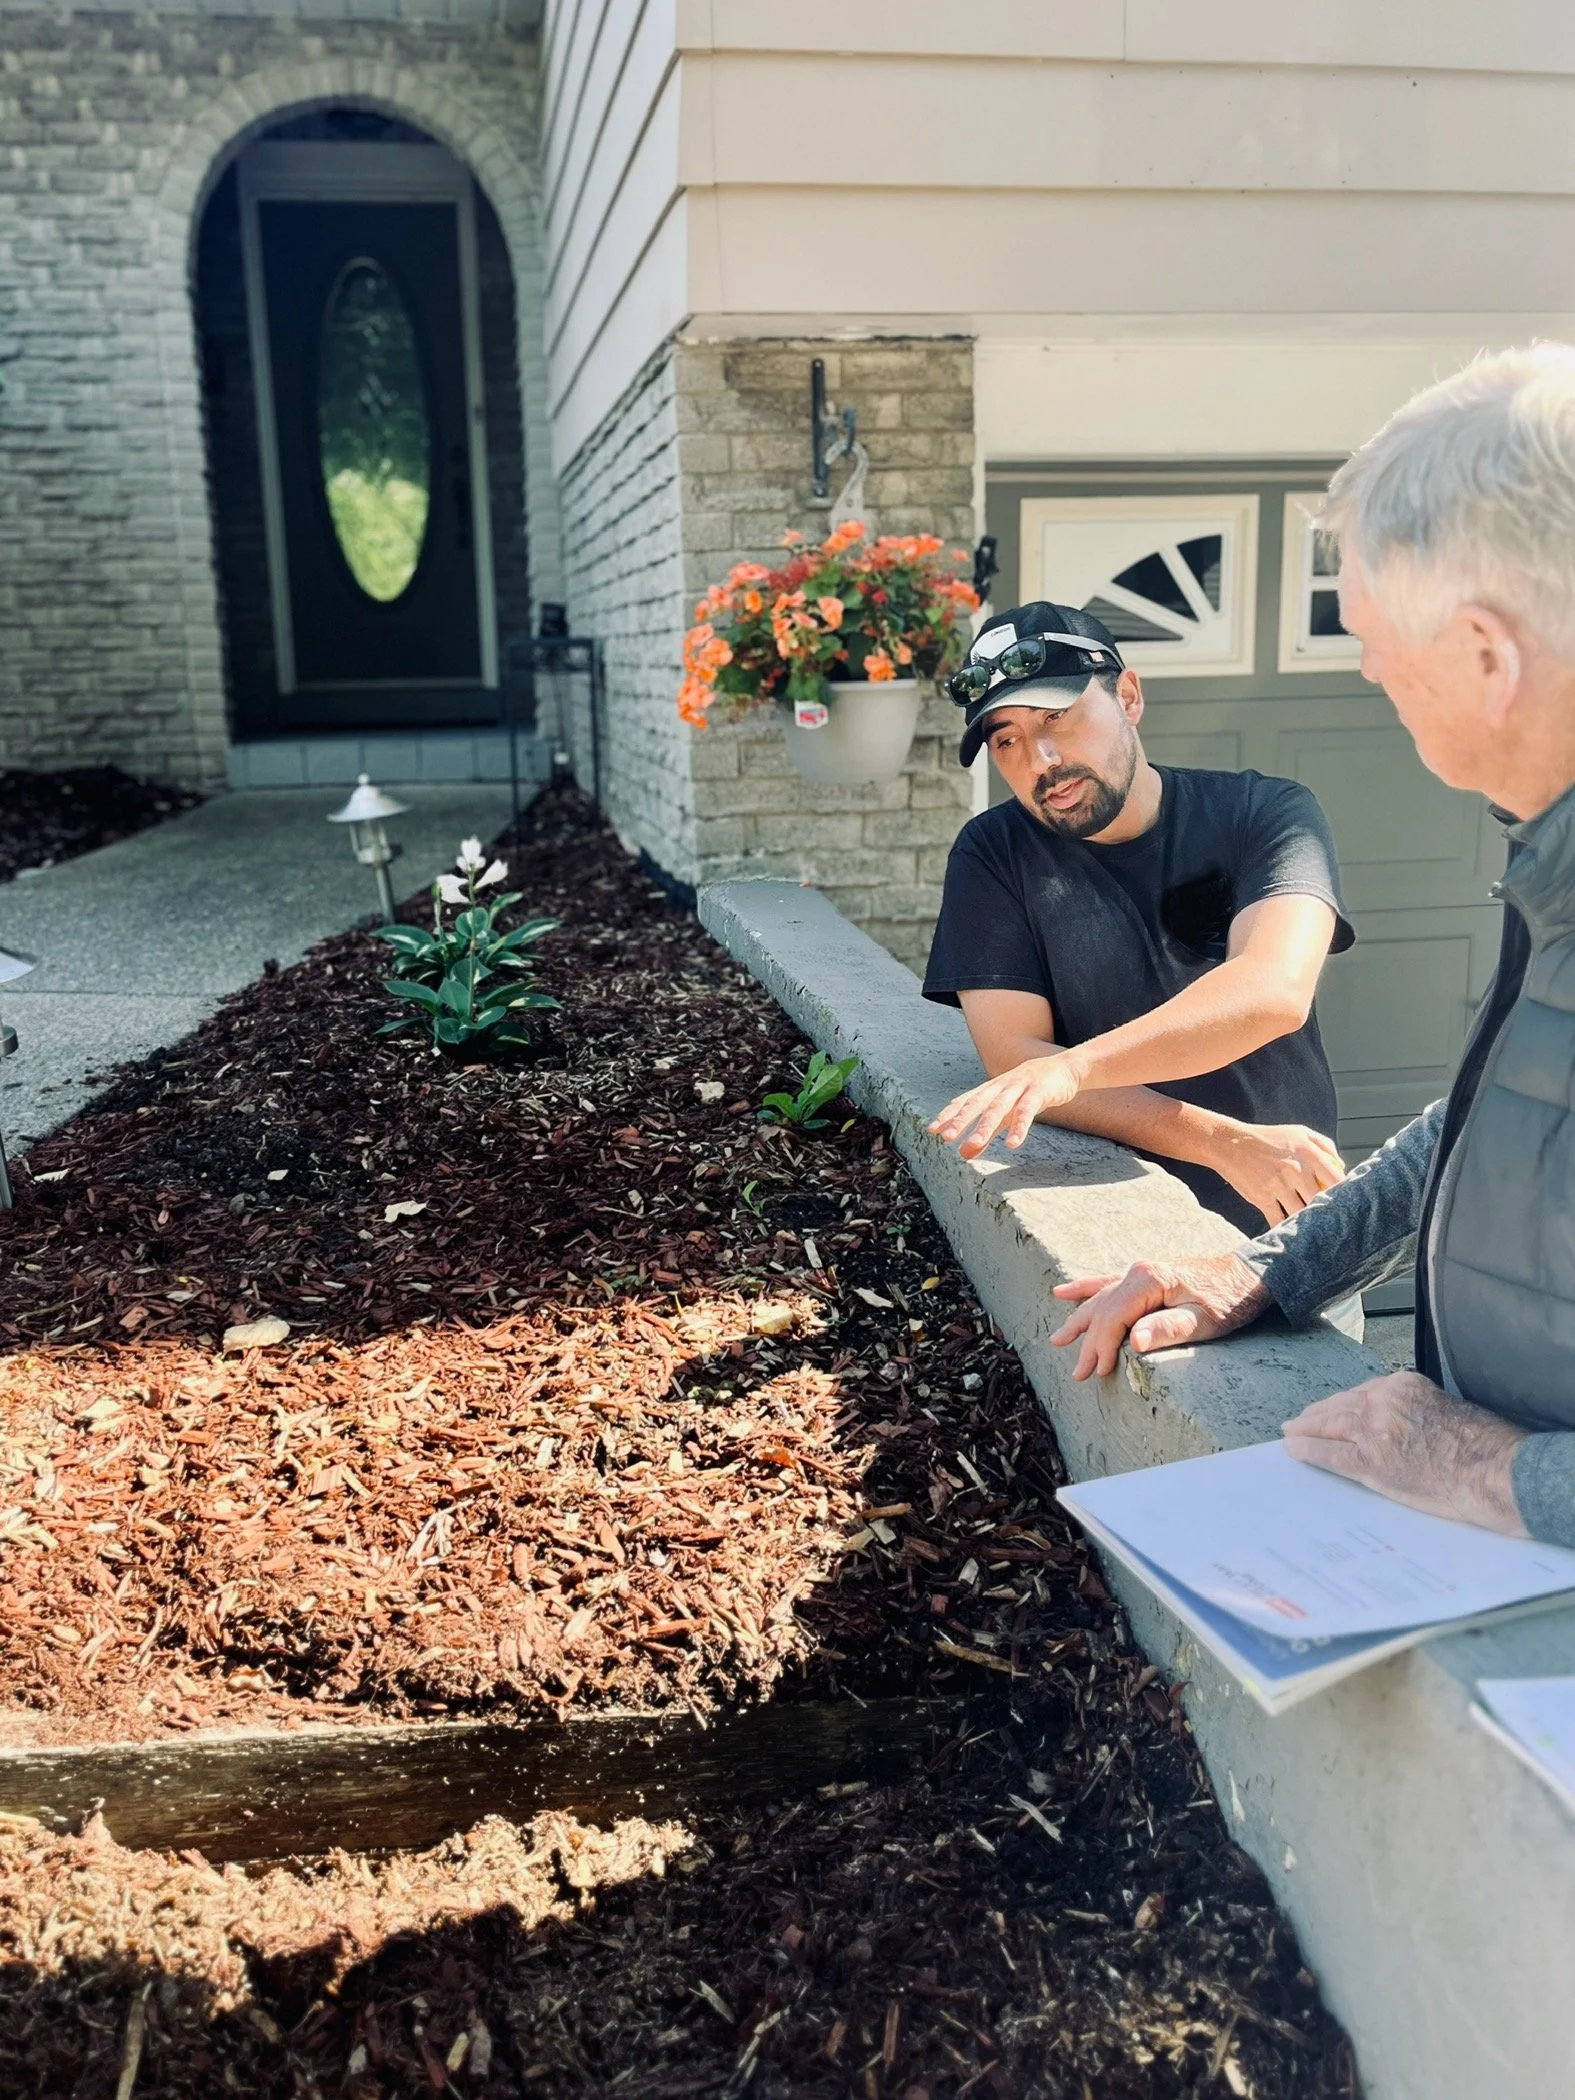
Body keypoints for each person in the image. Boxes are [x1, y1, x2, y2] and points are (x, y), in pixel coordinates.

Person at [1050, 344, 1575, 1549]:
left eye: (1376, 637)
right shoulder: (1550, 854)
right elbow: (1496, 1116)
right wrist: (1270, 1268)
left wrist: (1498, 1474)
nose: (1364, 666)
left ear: (1488, 657)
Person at [922, 599, 1354, 1235]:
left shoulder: (1263, 813)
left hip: (1290, 1217)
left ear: (1127, 697)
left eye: (1056, 716)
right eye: (1006, 740)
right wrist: (1221, 1142)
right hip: (1115, 1224)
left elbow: (1272, 993)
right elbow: (1015, 1056)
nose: (1040, 759)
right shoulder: (993, 853)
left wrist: (1070, 1068)